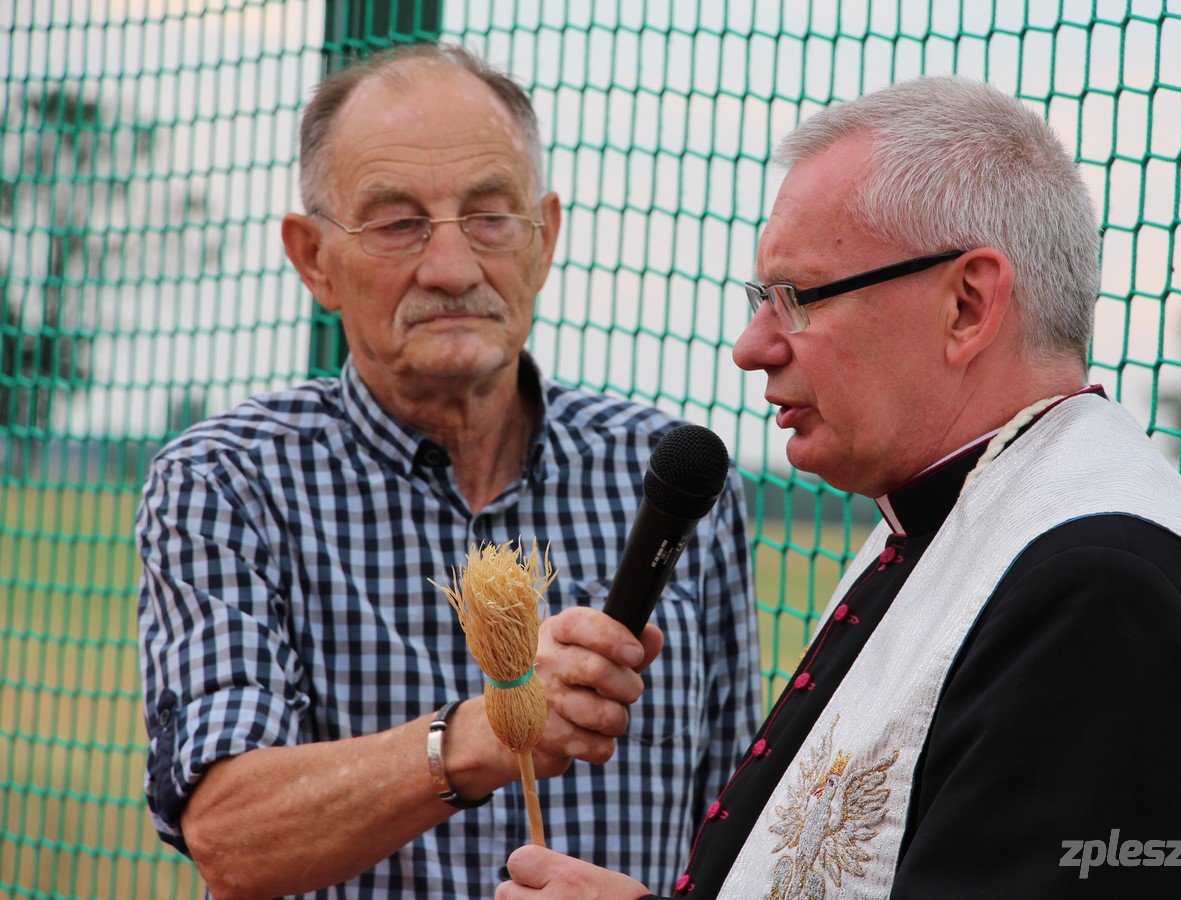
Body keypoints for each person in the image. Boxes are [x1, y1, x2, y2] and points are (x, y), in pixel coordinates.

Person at [497, 75, 1181, 899]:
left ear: (968, 305)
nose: (752, 345)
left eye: (794, 297)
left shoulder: (1104, 594)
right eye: (762, 299)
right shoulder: (962, 514)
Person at [135, 42, 759, 899]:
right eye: (398, 224)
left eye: (490, 217)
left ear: (545, 236)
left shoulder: (673, 483)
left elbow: (739, 838)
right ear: (312, 257)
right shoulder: (228, 484)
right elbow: (232, 834)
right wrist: (495, 730)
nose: (453, 268)